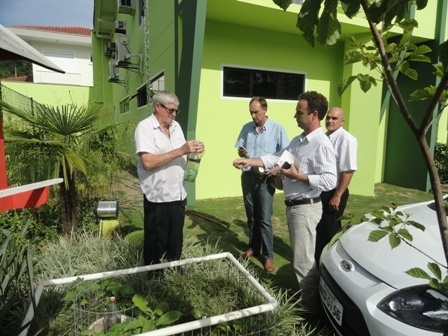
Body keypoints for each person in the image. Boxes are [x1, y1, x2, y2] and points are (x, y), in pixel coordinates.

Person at [233, 91, 337, 313]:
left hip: (306, 208)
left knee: (303, 262)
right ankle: (313, 304)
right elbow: (277, 157)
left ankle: (311, 311)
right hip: (295, 207)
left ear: (314, 114)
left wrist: (299, 177)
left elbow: (330, 179)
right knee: (302, 259)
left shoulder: (321, 144)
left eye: (299, 112)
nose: (295, 116)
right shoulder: (299, 141)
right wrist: (247, 161)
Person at [135, 90, 204, 269]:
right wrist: (181, 150)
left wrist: (194, 153)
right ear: (157, 106)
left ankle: (174, 276)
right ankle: (154, 280)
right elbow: (147, 162)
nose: (173, 114)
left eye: (176, 111)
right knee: (155, 244)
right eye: (171, 110)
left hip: (178, 194)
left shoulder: (176, 127)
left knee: (175, 242)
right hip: (157, 196)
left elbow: (182, 157)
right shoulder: (145, 127)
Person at [235, 97, 289, 273]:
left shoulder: (277, 128)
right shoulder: (246, 128)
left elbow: (286, 155)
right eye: (250, 111)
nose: (253, 115)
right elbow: (239, 148)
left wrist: (277, 169)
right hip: (248, 177)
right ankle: (253, 247)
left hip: (266, 178)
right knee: (251, 216)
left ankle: (268, 256)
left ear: (265, 109)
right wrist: (241, 152)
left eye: (256, 112)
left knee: (264, 218)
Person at [315, 107, 357, 264]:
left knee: (330, 231)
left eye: (334, 118)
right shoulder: (324, 137)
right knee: (319, 230)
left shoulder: (347, 140)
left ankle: (330, 264)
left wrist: (337, 195)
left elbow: (348, 170)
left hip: (334, 192)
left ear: (342, 121)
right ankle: (318, 262)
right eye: (328, 118)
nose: (330, 121)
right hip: (321, 189)